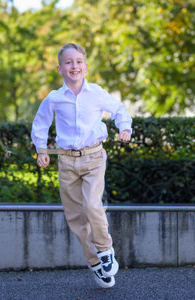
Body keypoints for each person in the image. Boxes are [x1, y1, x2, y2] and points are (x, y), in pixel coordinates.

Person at [31, 43, 132, 288]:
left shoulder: (96, 93)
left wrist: (125, 127)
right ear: (59, 68)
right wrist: (42, 151)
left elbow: (118, 109)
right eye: (68, 62)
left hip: (94, 157)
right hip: (66, 161)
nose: (74, 66)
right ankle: (94, 262)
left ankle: (105, 250)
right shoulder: (54, 98)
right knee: (75, 216)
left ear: (85, 66)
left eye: (78, 61)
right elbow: (40, 124)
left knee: (92, 205)